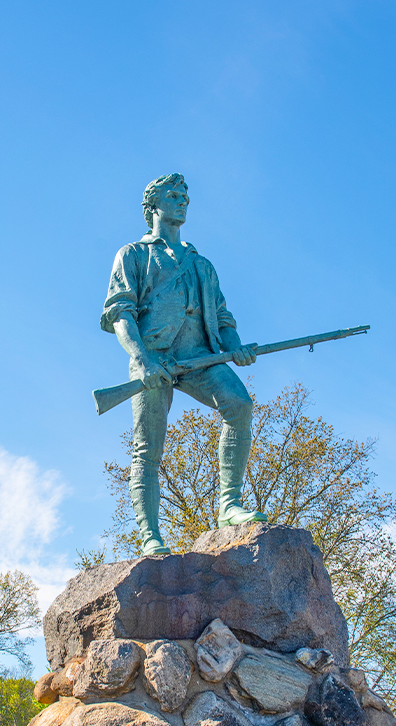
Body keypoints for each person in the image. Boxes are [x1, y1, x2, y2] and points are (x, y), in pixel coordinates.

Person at [102, 173, 265, 554]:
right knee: (147, 450)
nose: (183, 201)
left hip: (199, 356)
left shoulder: (201, 264)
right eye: (173, 195)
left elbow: (222, 317)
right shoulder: (134, 255)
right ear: (152, 206)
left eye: (185, 196)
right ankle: (150, 536)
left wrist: (236, 347)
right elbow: (119, 313)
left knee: (239, 405)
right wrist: (141, 360)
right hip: (153, 359)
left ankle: (229, 505)